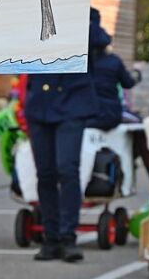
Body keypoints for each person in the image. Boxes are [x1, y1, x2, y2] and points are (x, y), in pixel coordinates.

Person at [24, 30, 98, 263]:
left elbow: (99, 40)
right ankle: (51, 237)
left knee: (67, 169)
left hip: (71, 103)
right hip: (41, 104)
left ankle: (68, 237)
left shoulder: (84, 14)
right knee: (45, 173)